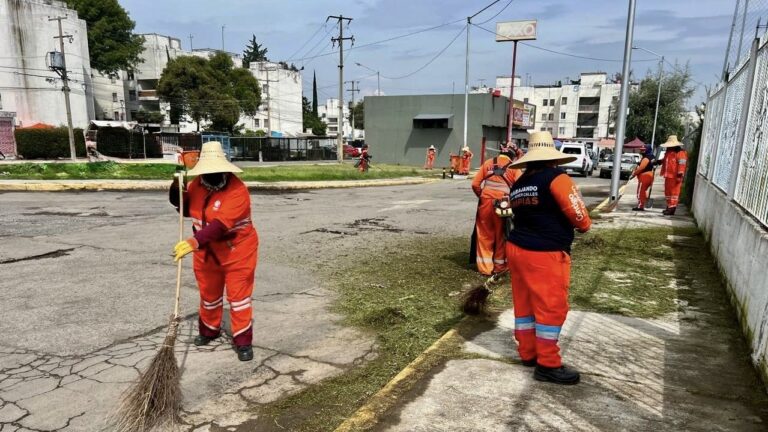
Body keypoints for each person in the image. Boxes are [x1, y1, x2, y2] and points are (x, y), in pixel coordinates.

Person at [505, 131, 592, 385]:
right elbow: (578, 214)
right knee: (550, 307)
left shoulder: (520, 183)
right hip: (545, 254)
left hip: (517, 250)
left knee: (525, 306)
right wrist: (585, 226)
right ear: (552, 157)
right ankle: (548, 364)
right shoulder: (558, 178)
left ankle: (528, 353)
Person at [169, 141, 259, 362]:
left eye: (216, 171)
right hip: (206, 252)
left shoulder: (238, 191)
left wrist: (192, 243)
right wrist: (176, 184)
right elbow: (183, 206)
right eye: (207, 172)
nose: (211, 176)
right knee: (209, 296)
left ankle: (243, 341)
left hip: (237, 251)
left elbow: (220, 226)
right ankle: (209, 330)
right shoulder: (198, 185)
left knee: (238, 299)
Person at [470, 143, 522, 276]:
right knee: (502, 234)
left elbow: (475, 184)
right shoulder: (514, 168)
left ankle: (485, 268)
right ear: (513, 155)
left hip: (485, 203)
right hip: (504, 204)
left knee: (485, 234)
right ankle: (499, 267)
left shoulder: (488, 163)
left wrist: (482, 196)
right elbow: (519, 188)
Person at [659, 135, 688, 216]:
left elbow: (682, 164)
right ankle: (669, 206)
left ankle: (672, 208)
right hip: (668, 175)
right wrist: (659, 162)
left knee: (674, 193)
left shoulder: (680, 153)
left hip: (675, 176)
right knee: (668, 192)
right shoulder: (668, 153)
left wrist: (680, 174)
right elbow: (665, 160)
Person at [630, 145, 656, 211]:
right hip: (650, 175)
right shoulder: (652, 157)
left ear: (647, 150)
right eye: (641, 149)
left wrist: (634, 174)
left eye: (643, 150)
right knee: (643, 191)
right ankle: (645, 201)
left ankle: (640, 206)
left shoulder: (646, 158)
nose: (641, 151)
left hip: (645, 176)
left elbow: (641, 168)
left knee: (640, 192)